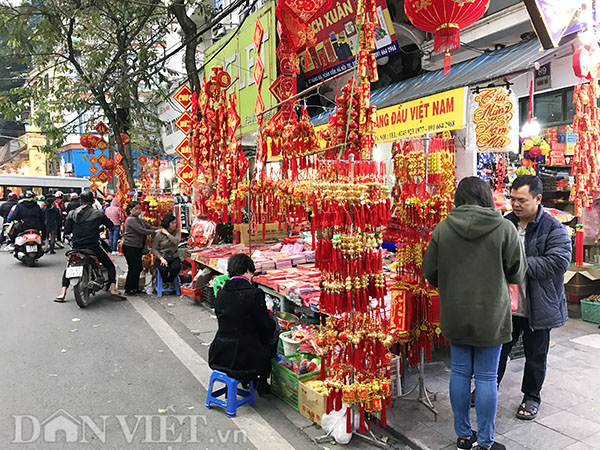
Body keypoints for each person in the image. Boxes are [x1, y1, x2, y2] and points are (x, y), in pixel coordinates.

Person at [423, 177, 527, 450]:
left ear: (458, 198)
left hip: (455, 311)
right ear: (486, 197)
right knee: (486, 377)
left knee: (459, 372)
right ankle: (485, 442)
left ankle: (462, 436)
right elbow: (517, 272)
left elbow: (429, 272)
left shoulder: (443, 229)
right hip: (491, 315)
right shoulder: (505, 228)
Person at [497, 175, 572, 421]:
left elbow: (559, 261)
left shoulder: (552, 227)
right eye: (512, 199)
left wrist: (518, 264)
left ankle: (531, 397)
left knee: (536, 356)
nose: (515, 204)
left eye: (522, 200)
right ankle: (488, 388)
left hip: (539, 305)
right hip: (507, 305)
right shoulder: (505, 224)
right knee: (498, 351)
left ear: (538, 199)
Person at [209, 253, 278, 396]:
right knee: (273, 332)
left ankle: (250, 380)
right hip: (245, 357)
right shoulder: (254, 294)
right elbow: (265, 326)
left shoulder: (221, 293)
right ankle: (262, 381)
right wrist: (269, 314)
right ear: (247, 270)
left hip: (220, 353)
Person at [54, 191, 125, 302]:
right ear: (93, 200)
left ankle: (62, 292)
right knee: (110, 265)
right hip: (92, 246)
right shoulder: (98, 213)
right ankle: (112, 289)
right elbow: (110, 226)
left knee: (69, 266)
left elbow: (67, 230)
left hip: (76, 245)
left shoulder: (72, 213)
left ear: (81, 201)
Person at [122, 201, 158, 295]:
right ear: (130, 210)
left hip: (137, 247)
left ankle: (135, 287)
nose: (138, 211)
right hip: (130, 247)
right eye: (136, 209)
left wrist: (159, 229)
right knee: (133, 268)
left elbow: (148, 226)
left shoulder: (139, 219)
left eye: (139, 208)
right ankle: (128, 289)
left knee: (138, 268)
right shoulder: (130, 220)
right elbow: (142, 230)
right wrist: (154, 231)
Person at [151, 213, 182, 285]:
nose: (174, 225)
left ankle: (170, 281)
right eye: (172, 223)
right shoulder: (159, 235)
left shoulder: (177, 231)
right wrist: (161, 258)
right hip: (162, 256)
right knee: (163, 269)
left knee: (176, 268)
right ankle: (165, 282)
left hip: (174, 256)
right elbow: (154, 249)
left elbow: (176, 241)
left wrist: (167, 234)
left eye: (175, 223)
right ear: (167, 223)